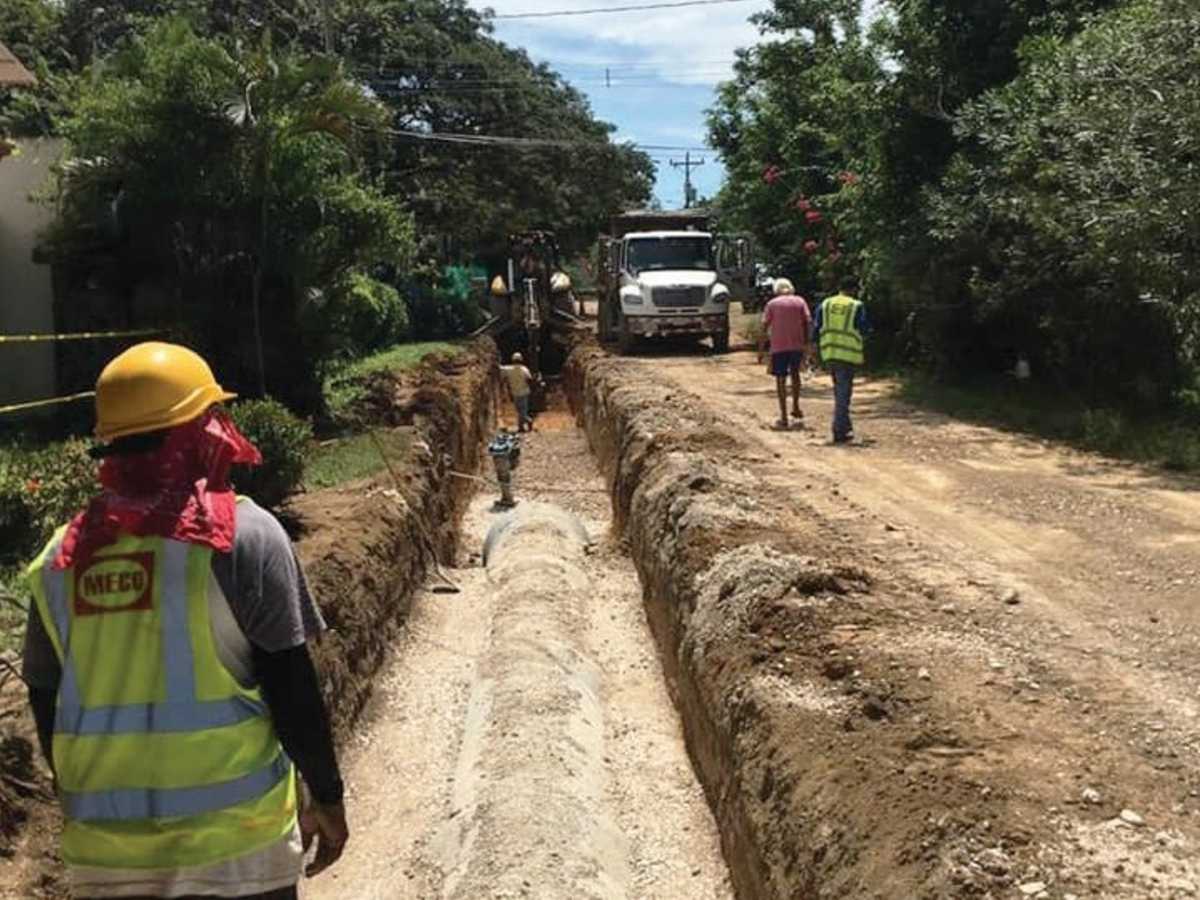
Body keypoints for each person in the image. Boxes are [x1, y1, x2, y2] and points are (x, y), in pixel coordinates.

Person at [20, 342, 347, 899]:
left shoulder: (60, 561)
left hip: (107, 863)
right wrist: (329, 795)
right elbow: (292, 688)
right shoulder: (243, 539)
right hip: (237, 857)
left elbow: (47, 702)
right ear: (203, 428)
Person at [814, 275, 870, 444]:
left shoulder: (826, 304)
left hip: (830, 353)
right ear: (853, 289)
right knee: (844, 393)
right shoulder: (856, 306)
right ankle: (838, 430)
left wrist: (813, 351)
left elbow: (816, 329)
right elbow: (864, 328)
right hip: (848, 354)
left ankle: (845, 427)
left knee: (841, 391)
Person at [759, 278, 813, 431]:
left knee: (780, 380)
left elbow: (764, 327)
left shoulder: (772, 304)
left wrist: (761, 349)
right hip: (797, 345)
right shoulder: (800, 301)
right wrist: (807, 342)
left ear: (776, 290)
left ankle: (783, 416)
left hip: (778, 347)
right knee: (795, 375)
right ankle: (795, 406)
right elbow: (808, 322)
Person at [501, 351, 534, 432]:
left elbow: (500, 368)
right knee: (522, 411)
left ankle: (522, 426)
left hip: (515, 392)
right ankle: (527, 422)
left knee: (520, 411)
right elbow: (530, 379)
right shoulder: (524, 369)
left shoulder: (509, 369)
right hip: (523, 392)